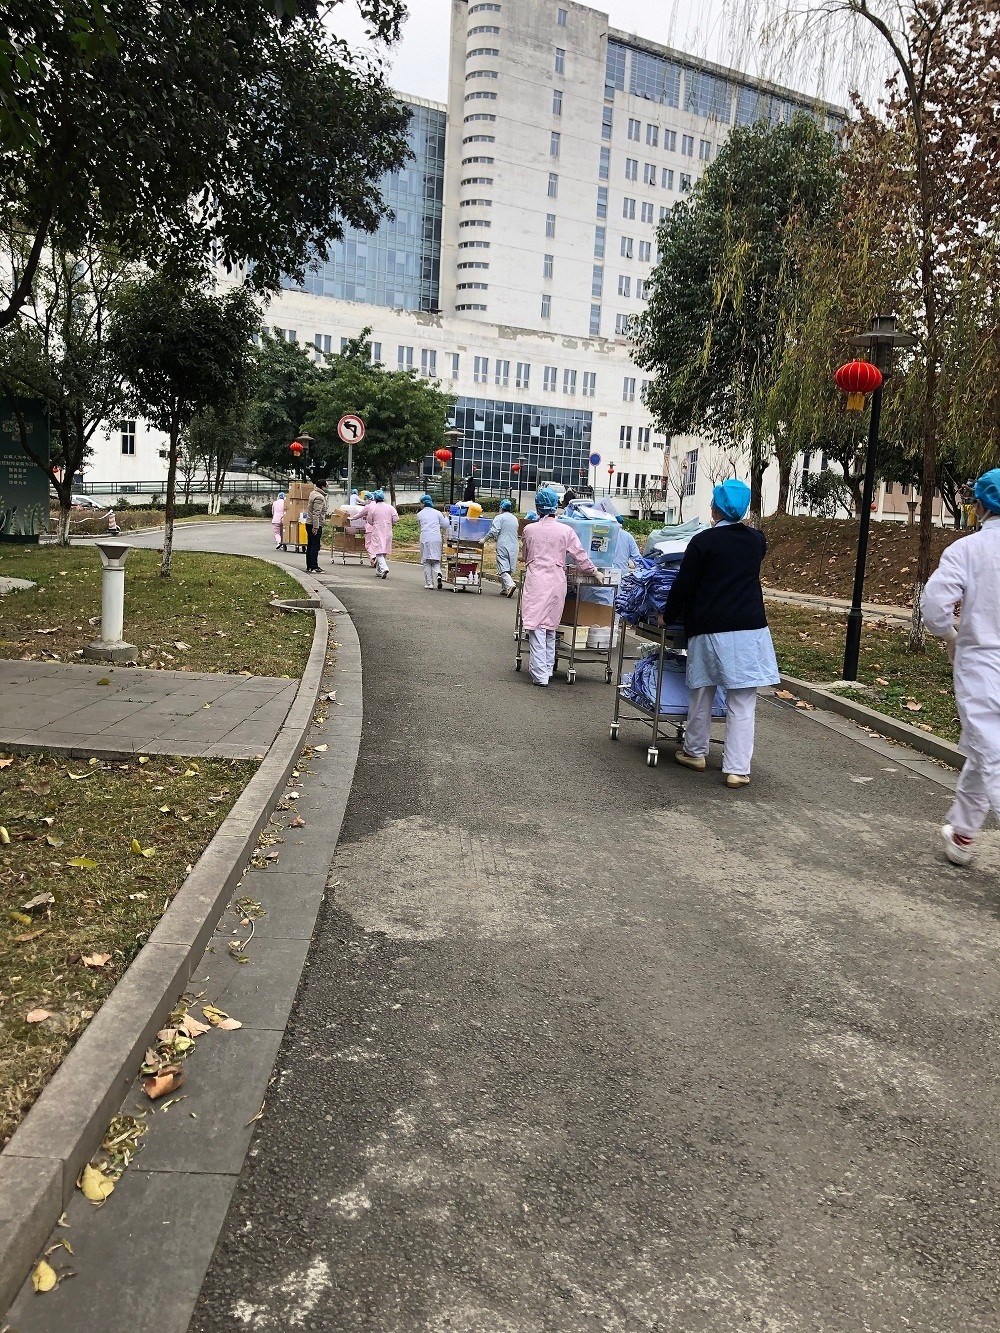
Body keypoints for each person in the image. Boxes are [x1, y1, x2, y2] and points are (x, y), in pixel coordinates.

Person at [661, 478, 780, 788]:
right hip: (750, 628)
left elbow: (684, 585)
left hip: (709, 626)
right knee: (743, 700)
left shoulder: (703, 542)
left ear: (715, 508)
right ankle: (737, 769)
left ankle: (695, 752)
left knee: (702, 690)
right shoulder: (757, 541)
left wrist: (667, 616)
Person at [921, 467, 1000, 866]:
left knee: (993, 753)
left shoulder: (967, 550)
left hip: (982, 662)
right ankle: (963, 833)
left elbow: (935, 606)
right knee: (983, 751)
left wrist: (949, 635)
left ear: (980, 505)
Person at [520, 487, 598, 686]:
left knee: (536, 627)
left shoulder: (529, 530)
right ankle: (547, 670)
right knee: (549, 627)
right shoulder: (566, 530)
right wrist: (594, 572)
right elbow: (580, 556)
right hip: (557, 581)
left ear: (538, 507)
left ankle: (540, 675)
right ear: (556, 506)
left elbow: (526, 556)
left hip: (536, 581)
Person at [361, 488, 399, 579]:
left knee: (378, 552)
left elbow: (369, 520)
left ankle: (384, 568)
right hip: (388, 531)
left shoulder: (373, 508)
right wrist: (388, 522)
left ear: (375, 498)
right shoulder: (390, 507)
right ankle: (378, 571)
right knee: (384, 551)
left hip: (377, 531)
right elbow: (396, 518)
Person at [486, 499, 520, 597]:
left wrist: (484, 539)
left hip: (503, 544)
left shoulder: (499, 517)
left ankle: (510, 585)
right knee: (509, 567)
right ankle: (505, 589)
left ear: (501, 508)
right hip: (514, 545)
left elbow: (494, 531)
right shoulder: (514, 518)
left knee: (503, 567)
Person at [417, 493, 449, 590]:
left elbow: (420, 525)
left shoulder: (419, 514)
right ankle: (439, 573)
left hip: (425, 538)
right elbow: (446, 525)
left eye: (420, 503)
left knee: (426, 561)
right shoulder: (438, 513)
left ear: (423, 503)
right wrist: (446, 516)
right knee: (435, 559)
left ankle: (429, 583)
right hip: (436, 538)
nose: (420, 505)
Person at [305, 477, 328, 574]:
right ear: (322, 487)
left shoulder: (313, 493)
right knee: (315, 546)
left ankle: (309, 565)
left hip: (309, 523)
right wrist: (316, 527)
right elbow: (316, 513)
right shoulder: (319, 497)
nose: (327, 487)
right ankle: (314, 566)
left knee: (310, 545)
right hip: (315, 524)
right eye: (326, 486)